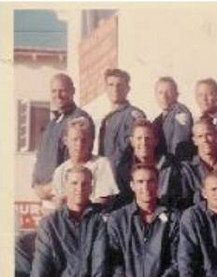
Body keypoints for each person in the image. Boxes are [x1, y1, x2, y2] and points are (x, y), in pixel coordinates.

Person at [32, 73, 95, 202]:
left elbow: (81, 158)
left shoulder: (79, 119)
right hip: (45, 199)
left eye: (63, 91)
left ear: (73, 91)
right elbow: (40, 157)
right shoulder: (52, 124)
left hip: (65, 198)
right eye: (54, 91)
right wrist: (36, 185)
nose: (58, 95)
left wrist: (53, 186)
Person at [52, 116, 119, 207]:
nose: (79, 144)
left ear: (91, 142)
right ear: (66, 141)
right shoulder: (60, 171)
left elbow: (103, 200)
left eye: (83, 140)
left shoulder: (101, 164)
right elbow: (58, 204)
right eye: (75, 139)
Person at [98, 68, 146, 194]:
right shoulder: (107, 118)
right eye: (111, 85)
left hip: (125, 182)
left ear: (128, 89)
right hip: (107, 182)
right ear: (105, 89)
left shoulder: (133, 116)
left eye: (120, 85)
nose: (115, 89)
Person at [116, 118, 182, 208]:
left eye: (147, 138)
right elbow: (123, 201)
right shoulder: (123, 170)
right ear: (132, 141)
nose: (144, 142)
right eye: (139, 138)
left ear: (156, 141)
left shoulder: (170, 167)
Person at [152, 76, 194, 163]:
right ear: (155, 96)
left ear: (176, 94)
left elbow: (180, 145)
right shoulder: (159, 119)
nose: (164, 97)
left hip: (175, 165)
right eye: (160, 93)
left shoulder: (180, 112)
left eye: (169, 92)